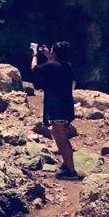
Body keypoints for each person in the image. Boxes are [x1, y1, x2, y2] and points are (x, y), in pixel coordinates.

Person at [30, 40, 80, 180]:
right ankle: (66, 164)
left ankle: (71, 172)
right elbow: (53, 66)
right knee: (57, 134)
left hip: (58, 108)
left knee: (62, 138)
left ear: (56, 53)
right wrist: (49, 56)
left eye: (52, 50)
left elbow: (35, 69)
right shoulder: (66, 66)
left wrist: (35, 54)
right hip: (64, 107)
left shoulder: (52, 65)